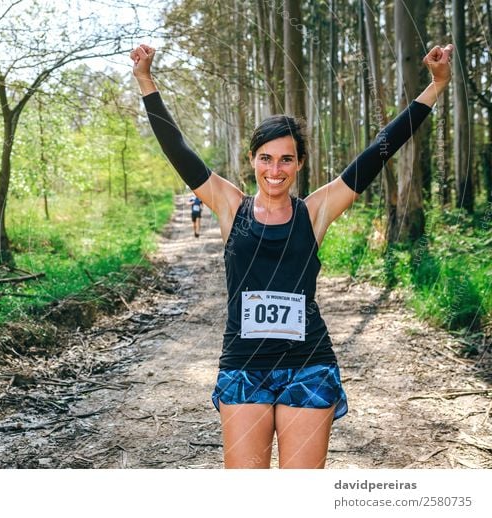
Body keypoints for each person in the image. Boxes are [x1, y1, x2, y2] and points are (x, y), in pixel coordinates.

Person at [130, 42, 453, 468]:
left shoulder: (315, 211)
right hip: (244, 366)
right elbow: (180, 152)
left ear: (299, 164)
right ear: (252, 160)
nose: (275, 170)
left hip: (309, 364)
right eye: (266, 159)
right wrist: (145, 81)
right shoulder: (230, 206)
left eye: (286, 160)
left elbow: (378, 151)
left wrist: (435, 87)